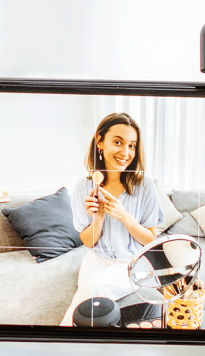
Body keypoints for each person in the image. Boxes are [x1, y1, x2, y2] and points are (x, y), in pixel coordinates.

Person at [60, 112, 164, 326]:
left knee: (96, 285)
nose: (125, 152)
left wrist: (124, 216)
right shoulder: (83, 187)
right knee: (86, 291)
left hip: (134, 262)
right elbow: (88, 242)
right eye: (118, 142)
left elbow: (150, 240)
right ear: (100, 141)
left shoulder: (144, 186)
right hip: (96, 258)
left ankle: (62, 338)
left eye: (132, 146)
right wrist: (98, 218)